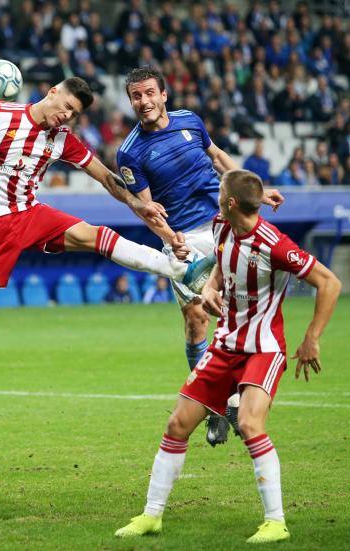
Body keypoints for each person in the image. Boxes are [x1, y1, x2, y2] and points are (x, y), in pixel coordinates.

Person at [0, 76, 213, 446]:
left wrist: (138, 203)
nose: (65, 116)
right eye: (65, 106)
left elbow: (106, 177)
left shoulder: (61, 140)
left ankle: (183, 269)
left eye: (73, 114)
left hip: (29, 214)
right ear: (52, 92)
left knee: (94, 235)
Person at [114, 169, 341, 543]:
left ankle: (276, 522)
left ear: (231, 202)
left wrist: (312, 337)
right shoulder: (222, 225)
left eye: (220, 191)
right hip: (225, 344)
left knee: (250, 424)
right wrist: (211, 289)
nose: (215, 195)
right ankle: (151, 515)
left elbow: (329, 282)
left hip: (262, 349)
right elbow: (221, 261)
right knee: (177, 425)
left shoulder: (275, 244)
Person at [116, 67, 284, 446]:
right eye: (135, 96)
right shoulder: (129, 152)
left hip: (224, 224)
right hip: (183, 238)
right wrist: (169, 238)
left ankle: (235, 399)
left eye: (148, 93)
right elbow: (146, 209)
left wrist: (258, 191)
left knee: (238, 312)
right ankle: (217, 406)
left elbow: (220, 158)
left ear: (163, 94)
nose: (142, 102)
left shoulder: (190, 120)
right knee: (197, 320)